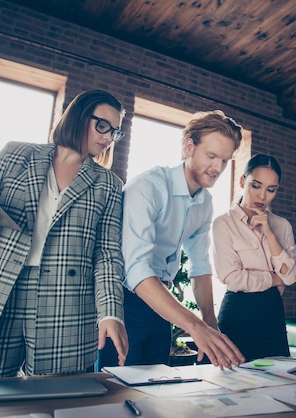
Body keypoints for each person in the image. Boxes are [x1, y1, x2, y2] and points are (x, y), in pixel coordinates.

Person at [0, 89, 129, 378]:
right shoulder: (14, 154)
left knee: (56, 401)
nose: (107, 137)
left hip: (67, 304)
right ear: (78, 116)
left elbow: (107, 255)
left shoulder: (108, 184)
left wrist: (110, 312)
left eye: (114, 132)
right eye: (102, 125)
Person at [98, 110, 245, 369]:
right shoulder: (148, 187)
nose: (218, 168)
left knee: (154, 388)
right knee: (116, 390)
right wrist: (194, 325)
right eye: (211, 156)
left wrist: (211, 325)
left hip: (161, 304)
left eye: (225, 160)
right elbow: (137, 270)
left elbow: (199, 266)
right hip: (125, 302)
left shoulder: (205, 203)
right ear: (189, 146)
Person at [212, 154, 296, 361]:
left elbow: (292, 275)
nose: (262, 196)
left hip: (272, 315)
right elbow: (233, 278)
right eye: (256, 186)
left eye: (271, 190)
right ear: (243, 182)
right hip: (237, 315)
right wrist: (273, 279)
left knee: (280, 384)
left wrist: (269, 233)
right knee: (231, 385)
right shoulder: (223, 224)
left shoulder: (282, 226)